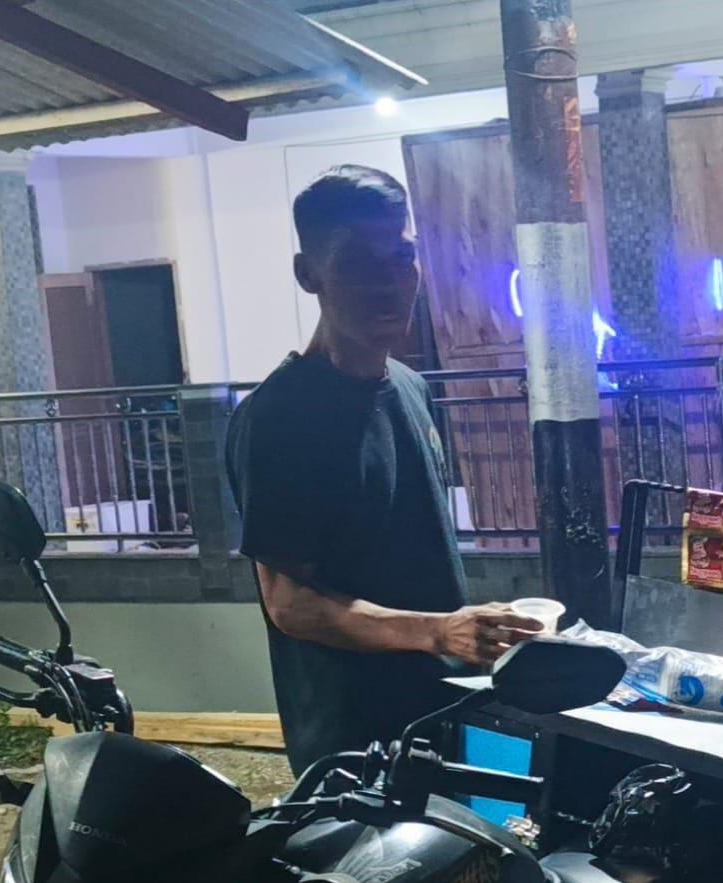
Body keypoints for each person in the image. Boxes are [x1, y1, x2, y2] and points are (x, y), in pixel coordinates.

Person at [227, 166, 541, 777]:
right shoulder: (279, 417)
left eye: (401, 258)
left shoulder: (411, 387)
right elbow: (291, 606)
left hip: (441, 714)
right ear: (308, 274)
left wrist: (465, 633)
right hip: (355, 747)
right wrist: (437, 632)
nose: (388, 283)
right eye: (357, 263)